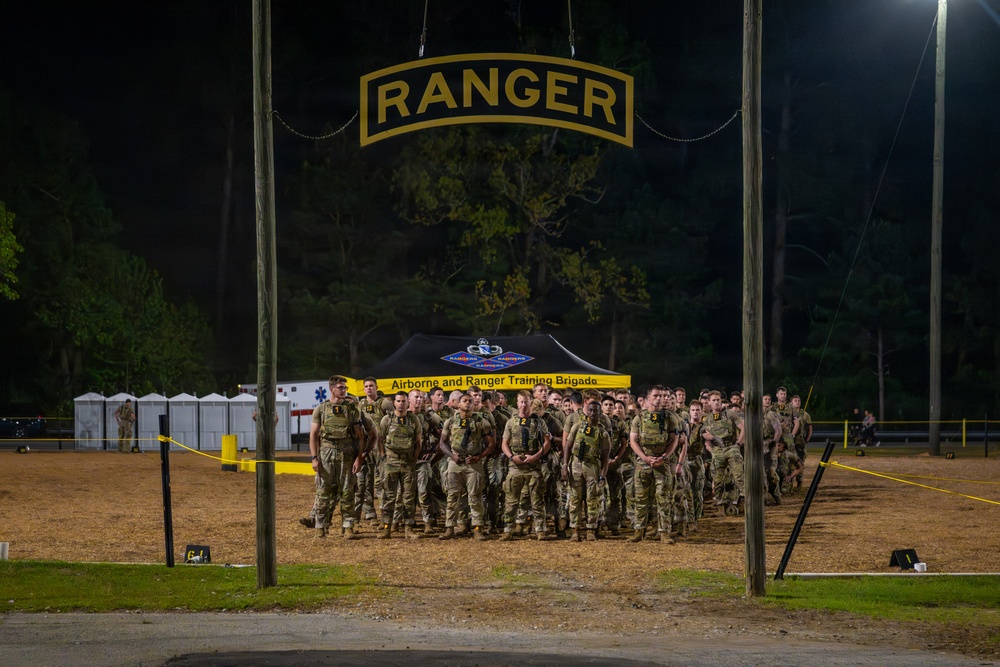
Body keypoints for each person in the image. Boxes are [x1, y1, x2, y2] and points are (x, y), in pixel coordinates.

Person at [311, 376, 366, 539]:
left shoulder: (351, 409)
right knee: (323, 491)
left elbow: (360, 436)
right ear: (332, 389)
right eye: (340, 387)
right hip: (326, 454)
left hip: (346, 454)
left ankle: (348, 526)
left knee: (347, 491)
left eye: (345, 388)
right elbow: (313, 435)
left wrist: (359, 458)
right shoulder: (321, 409)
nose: (344, 390)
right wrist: (314, 458)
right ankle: (321, 526)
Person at [629, 385, 683, 543]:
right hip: (643, 462)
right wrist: (645, 458)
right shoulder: (639, 418)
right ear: (648, 398)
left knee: (664, 497)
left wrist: (664, 457)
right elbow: (633, 440)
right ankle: (639, 531)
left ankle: (664, 532)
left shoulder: (669, 417)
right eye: (656, 396)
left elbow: (674, 440)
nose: (660, 399)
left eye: (662, 396)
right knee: (640, 498)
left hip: (662, 463)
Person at [438, 392, 495, 540]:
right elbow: (442, 443)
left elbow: (491, 443)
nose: (468, 403)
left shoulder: (481, 421)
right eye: (465, 401)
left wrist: (479, 456)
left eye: (470, 401)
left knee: (475, 496)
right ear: (458, 404)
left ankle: (477, 528)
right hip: (455, 462)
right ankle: (450, 527)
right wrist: (452, 456)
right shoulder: (450, 421)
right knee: (452, 496)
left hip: (473, 464)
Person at [498, 392, 554, 541]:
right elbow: (504, 443)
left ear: (530, 404)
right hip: (515, 465)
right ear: (517, 403)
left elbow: (547, 442)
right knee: (511, 499)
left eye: (526, 402)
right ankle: (508, 529)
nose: (523, 405)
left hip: (533, 465)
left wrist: (535, 456)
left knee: (537, 499)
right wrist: (511, 457)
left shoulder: (538, 422)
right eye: (521, 402)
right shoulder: (511, 422)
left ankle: (540, 530)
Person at [376, 391, 422, 539]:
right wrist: (383, 456)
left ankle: (408, 528)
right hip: (391, 462)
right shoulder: (387, 419)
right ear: (394, 403)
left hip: (407, 463)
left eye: (403, 401)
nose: (401, 404)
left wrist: (414, 459)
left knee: (408, 496)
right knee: (389, 496)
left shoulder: (413, 419)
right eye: (398, 401)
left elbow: (418, 442)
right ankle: (386, 528)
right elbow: (380, 439)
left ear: (408, 403)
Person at [563, 401, 611, 541]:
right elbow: (568, 446)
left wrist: (602, 475)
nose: (592, 413)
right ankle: (575, 530)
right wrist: (565, 465)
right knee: (575, 498)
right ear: (586, 411)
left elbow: (605, 457)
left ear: (599, 413)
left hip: (592, 466)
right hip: (576, 465)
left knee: (592, 498)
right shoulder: (577, 427)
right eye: (590, 410)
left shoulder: (602, 433)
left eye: (595, 410)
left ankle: (591, 529)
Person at [701, 390, 745, 516]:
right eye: (713, 400)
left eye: (718, 400)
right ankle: (722, 505)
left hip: (731, 447)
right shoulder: (707, 419)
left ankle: (742, 500)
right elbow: (705, 439)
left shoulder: (730, 414)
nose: (716, 402)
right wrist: (712, 451)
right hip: (717, 451)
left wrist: (738, 444)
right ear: (709, 403)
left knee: (738, 475)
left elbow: (743, 428)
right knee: (719, 479)